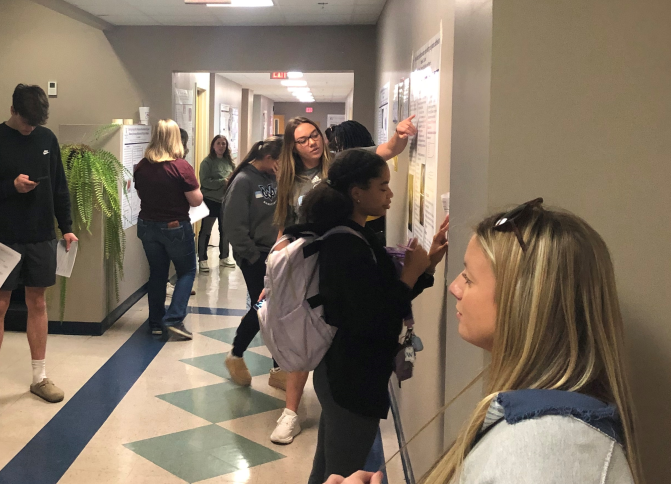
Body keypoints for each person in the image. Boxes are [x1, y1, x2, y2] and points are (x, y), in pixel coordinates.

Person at [327, 201, 639, 484]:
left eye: (469, 278)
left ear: (524, 301)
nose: (454, 288)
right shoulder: (539, 432)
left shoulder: (545, 449)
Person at [267, 115, 417, 444]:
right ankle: (291, 412)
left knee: (333, 333)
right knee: (309, 331)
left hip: (335, 264)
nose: (312, 142)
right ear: (293, 147)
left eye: (315, 135)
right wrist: (277, 271)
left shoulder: (340, 165)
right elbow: (285, 227)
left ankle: (330, 404)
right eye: (304, 139)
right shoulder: (289, 180)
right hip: (309, 267)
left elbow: (386, 150)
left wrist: (400, 137)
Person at [302, 149, 447, 483]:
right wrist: (410, 275)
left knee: (328, 470)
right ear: (357, 193)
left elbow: (381, 296)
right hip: (351, 379)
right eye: (382, 187)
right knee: (342, 473)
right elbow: (375, 318)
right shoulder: (345, 244)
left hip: (346, 373)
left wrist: (426, 266)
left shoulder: (355, 235)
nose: (390, 195)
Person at [0, 84, 76, 410]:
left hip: (40, 235)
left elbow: (59, 187)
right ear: (13, 111)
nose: (31, 129)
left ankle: (39, 377)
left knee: (38, 303)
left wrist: (66, 228)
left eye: (36, 123)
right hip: (2, 237)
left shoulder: (47, 140)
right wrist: (10, 187)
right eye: (27, 122)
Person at [221, 137, 283, 385]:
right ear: (268, 158)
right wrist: (253, 257)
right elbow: (233, 226)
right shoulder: (243, 181)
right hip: (255, 256)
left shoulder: (271, 177)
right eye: (280, 161)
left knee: (278, 310)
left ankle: (280, 369)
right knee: (263, 307)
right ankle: (236, 353)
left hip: (276, 253)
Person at [134, 119, 204, 340]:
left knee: (157, 273)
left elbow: (141, 194)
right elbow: (195, 201)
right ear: (176, 139)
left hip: (147, 226)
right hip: (174, 227)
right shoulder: (181, 167)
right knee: (186, 271)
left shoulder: (142, 166)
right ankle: (174, 319)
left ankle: (156, 323)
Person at [197, 135, 236, 272]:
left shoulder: (229, 162)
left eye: (224, 144)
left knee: (225, 230)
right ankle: (202, 259)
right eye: (218, 143)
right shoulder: (207, 162)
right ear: (213, 146)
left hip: (225, 201)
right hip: (210, 201)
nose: (221, 146)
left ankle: (224, 257)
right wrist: (222, 182)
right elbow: (205, 182)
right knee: (206, 231)